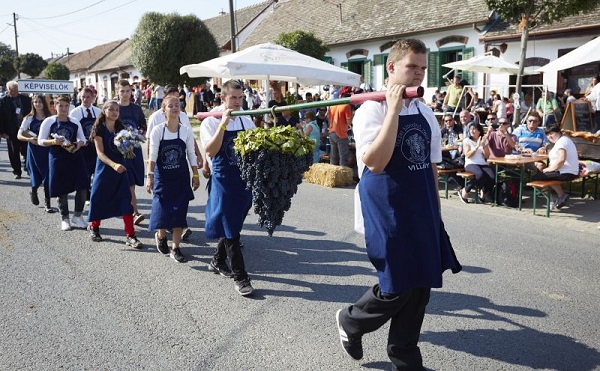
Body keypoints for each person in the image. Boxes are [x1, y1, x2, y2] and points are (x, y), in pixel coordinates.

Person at [336, 38, 461, 370]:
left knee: (420, 286)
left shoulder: (424, 111)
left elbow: (431, 165)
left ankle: (405, 359)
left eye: (422, 67)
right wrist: (392, 109)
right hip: (385, 209)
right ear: (392, 67)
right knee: (397, 286)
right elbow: (374, 162)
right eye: (412, 67)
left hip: (420, 207)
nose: (419, 74)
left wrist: (435, 211)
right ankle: (352, 320)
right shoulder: (370, 111)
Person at [200, 80, 256, 296]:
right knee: (231, 228)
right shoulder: (210, 121)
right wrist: (223, 124)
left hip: (243, 179)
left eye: (240, 97)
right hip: (223, 179)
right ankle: (241, 277)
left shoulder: (245, 118)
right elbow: (211, 151)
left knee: (234, 222)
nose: (238, 102)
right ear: (223, 98)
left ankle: (217, 260)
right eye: (233, 98)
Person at [146, 84, 203, 240]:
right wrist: (149, 173)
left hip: (180, 175)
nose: (175, 106)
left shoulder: (184, 125)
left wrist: (196, 171)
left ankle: (176, 247)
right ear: (164, 107)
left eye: (177, 103)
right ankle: (161, 235)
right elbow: (152, 151)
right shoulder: (157, 125)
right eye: (171, 105)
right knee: (162, 209)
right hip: (163, 175)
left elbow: (190, 149)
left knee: (179, 209)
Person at [87, 101, 143, 248]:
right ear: (104, 111)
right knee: (99, 198)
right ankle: (94, 227)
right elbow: (100, 153)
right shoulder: (99, 129)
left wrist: (130, 148)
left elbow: (126, 150)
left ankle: (131, 236)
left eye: (117, 110)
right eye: (111, 109)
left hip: (121, 170)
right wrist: (113, 165)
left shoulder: (121, 128)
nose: (114, 112)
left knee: (126, 201)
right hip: (105, 169)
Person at [38, 96, 88, 231]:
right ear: (55, 106)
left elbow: (82, 138)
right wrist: (53, 142)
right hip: (57, 157)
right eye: (61, 106)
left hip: (75, 156)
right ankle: (64, 218)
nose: (64, 109)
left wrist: (79, 144)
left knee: (83, 185)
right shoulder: (49, 121)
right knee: (62, 188)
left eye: (66, 106)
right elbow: (40, 140)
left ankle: (78, 215)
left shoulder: (75, 121)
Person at [17, 94, 55, 212]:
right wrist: (29, 139)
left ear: (44, 103)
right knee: (35, 174)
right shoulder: (28, 118)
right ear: (32, 104)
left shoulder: (50, 118)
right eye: (35, 102)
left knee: (48, 175)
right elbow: (19, 135)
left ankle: (47, 203)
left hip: (47, 149)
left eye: (40, 101)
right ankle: (33, 190)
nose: (38, 104)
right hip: (34, 150)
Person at [117, 79, 147, 225]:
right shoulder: (115, 108)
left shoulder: (136, 109)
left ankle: (130, 209)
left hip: (135, 149)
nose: (125, 94)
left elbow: (143, 126)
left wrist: (138, 134)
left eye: (128, 91)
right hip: (120, 151)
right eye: (122, 91)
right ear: (117, 92)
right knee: (128, 182)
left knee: (133, 182)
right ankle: (134, 212)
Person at [532, 125, 579, 209]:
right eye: (547, 134)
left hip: (566, 172)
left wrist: (550, 169)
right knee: (545, 175)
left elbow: (561, 159)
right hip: (570, 171)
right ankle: (561, 196)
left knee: (536, 178)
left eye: (552, 133)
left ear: (559, 132)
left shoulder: (561, 142)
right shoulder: (564, 140)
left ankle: (552, 200)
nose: (550, 136)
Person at [70, 87, 102, 196]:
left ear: (93, 98)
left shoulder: (98, 112)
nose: (85, 99)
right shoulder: (74, 113)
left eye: (88, 97)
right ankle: (87, 195)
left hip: (96, 147)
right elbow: (72, 130)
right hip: (83, 147)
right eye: (83, 97)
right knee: (85, 172)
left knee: (97, 171)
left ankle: (96, 192)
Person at [0, 81, 32, 179]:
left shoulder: (26, 99)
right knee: (14, 152)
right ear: (8, 90)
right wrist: (2, 132)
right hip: (11, 131)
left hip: (25, 129)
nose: (13, 92)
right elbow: (0, 117)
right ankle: (17, 171)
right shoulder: (3, 101)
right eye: (11, 90)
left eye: (15, 90)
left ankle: (28, 167)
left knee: (27, 150)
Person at [458, 123, 494, 203]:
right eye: (471, 129)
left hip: (482, 163)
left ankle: (483, 191)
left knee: (492, 177)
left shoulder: (484, 140)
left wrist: (484, 145)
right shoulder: (467, 141)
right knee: (480, 174)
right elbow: (468, 155)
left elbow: (487, 156)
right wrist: (477, 147)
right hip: (471, 163)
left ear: (479, 131)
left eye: (474, 129)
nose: (472, 131)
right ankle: (465, 190)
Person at [327, 89, 353, 166]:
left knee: (334, 156)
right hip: (341, 133)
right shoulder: (346, 106)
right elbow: (349, 122)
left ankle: (333, 176)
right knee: (343, 157)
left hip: (331, 132)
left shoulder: (333, 105)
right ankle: (342, 176)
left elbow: (328, 118)